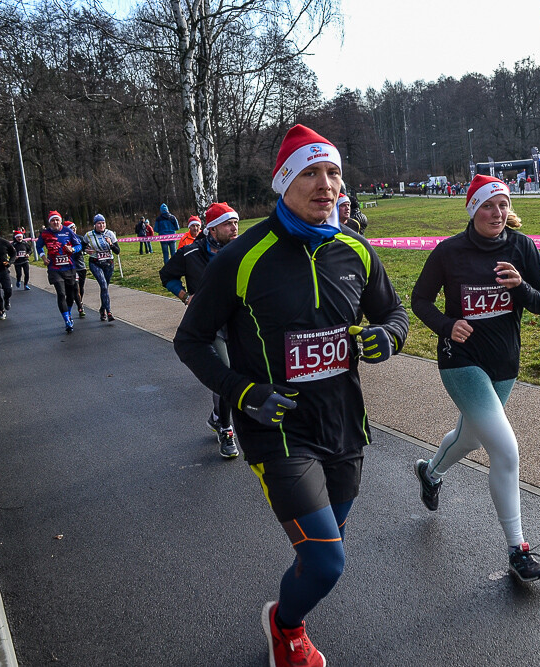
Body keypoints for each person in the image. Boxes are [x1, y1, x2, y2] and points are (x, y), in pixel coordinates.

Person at [174, 124, 408, 667]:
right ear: (284, 183)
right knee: (327, 563)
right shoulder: (241, 257)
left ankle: (291, 604)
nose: (325, 185)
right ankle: (285, 628)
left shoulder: (355, 248)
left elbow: (394, 313)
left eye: (333, 173)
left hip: (345, 425)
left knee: (327, 549)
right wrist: (243, 391)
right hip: (277, 432)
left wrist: (390, 336)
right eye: (310, 173)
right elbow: (190, 340)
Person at [411, 174, 540, 585]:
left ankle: (430, 472)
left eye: (503, 205)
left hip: (504, 362)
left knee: (471, 438)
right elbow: (421, 300)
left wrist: (520, 287)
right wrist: (447, 324)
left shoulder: (521, 247)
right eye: (488, 206)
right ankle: (518, 549)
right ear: (473, 209)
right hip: (461, 361)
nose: (497, 213)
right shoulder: (449, 252)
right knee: (506, 451)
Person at [160, 202, 241, 459]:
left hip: (240, 322)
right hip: (210, 325)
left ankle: (218, 416)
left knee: (242, 373)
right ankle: (226, 430)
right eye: (228, 224)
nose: (234, 227)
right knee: (226, 375)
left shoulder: (242, 250)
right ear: (213, 230)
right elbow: (167, 276)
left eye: (236, 222)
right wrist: (185, 296)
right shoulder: (190, 253)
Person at [36, 211, 82, 333]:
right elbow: (38, 246)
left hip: (69, 267)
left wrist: (72, 249)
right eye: (53, 220)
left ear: (60, 220)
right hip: (54, 269)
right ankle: (66, 320)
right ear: (49, 222)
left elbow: (79, 245)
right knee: (61, 293)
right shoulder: (45, 234)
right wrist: (43, 257)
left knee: (71, 294)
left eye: (57, 220)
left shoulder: (68, 231)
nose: (55, 222)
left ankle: (69, 313)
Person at [82, 214, 119, 322]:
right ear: (95, 225)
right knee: (103, 285)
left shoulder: (110, 234)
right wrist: (86, 250)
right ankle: (109, 312)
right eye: (99, 223)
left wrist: (111, 244)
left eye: (103, 223)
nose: (101, 225)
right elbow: (82, 245)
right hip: (95, 263)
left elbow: (118, 251)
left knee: (105, 288)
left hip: (108, 263)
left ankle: (102, 309)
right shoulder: (88, 235)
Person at [67, 221, 87, 318]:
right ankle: (80, 307)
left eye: (74, 227)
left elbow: (86, 248)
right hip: (71, 266)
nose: (73, 229)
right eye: (71, 228)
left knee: (81, 288)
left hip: (81, 265)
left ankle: (80, 301)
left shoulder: (80, 238)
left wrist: (88, 250)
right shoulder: (65, 239)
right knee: (75, 287)